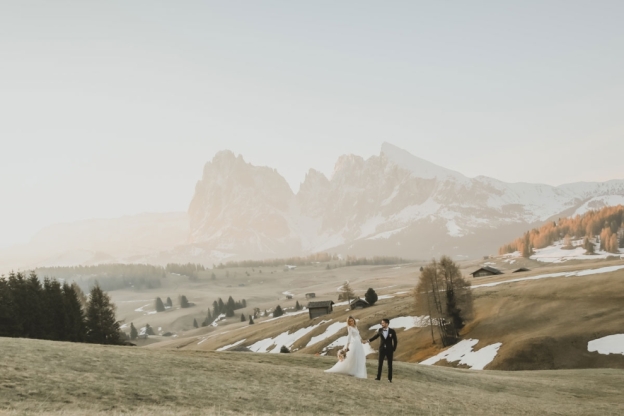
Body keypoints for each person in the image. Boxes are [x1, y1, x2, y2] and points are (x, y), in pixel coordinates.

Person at [364, 318, 397, 382]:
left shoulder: (392, 331)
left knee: (390, 364)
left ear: (387, 324)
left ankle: (389, 379)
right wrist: (368, 341)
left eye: (383, 323)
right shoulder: (380, 330)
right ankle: (378, 377)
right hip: (382, 349)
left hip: (389, 350)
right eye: (381, 323)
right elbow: (376, 336)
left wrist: (393, 349)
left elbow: (395, 341)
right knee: (380, 363)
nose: (382, 324)